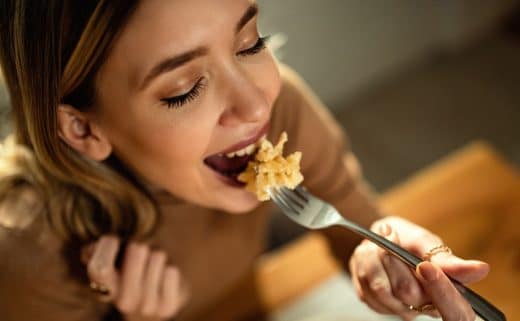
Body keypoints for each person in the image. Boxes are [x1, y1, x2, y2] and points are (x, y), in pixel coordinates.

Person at [0, 1, 489, 321]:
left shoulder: (280, 109)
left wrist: (381, 248)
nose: (256, 106)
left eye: (250, 43)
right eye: (183, 90)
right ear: (83, 127)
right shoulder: (26, 251)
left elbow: (349, 215)